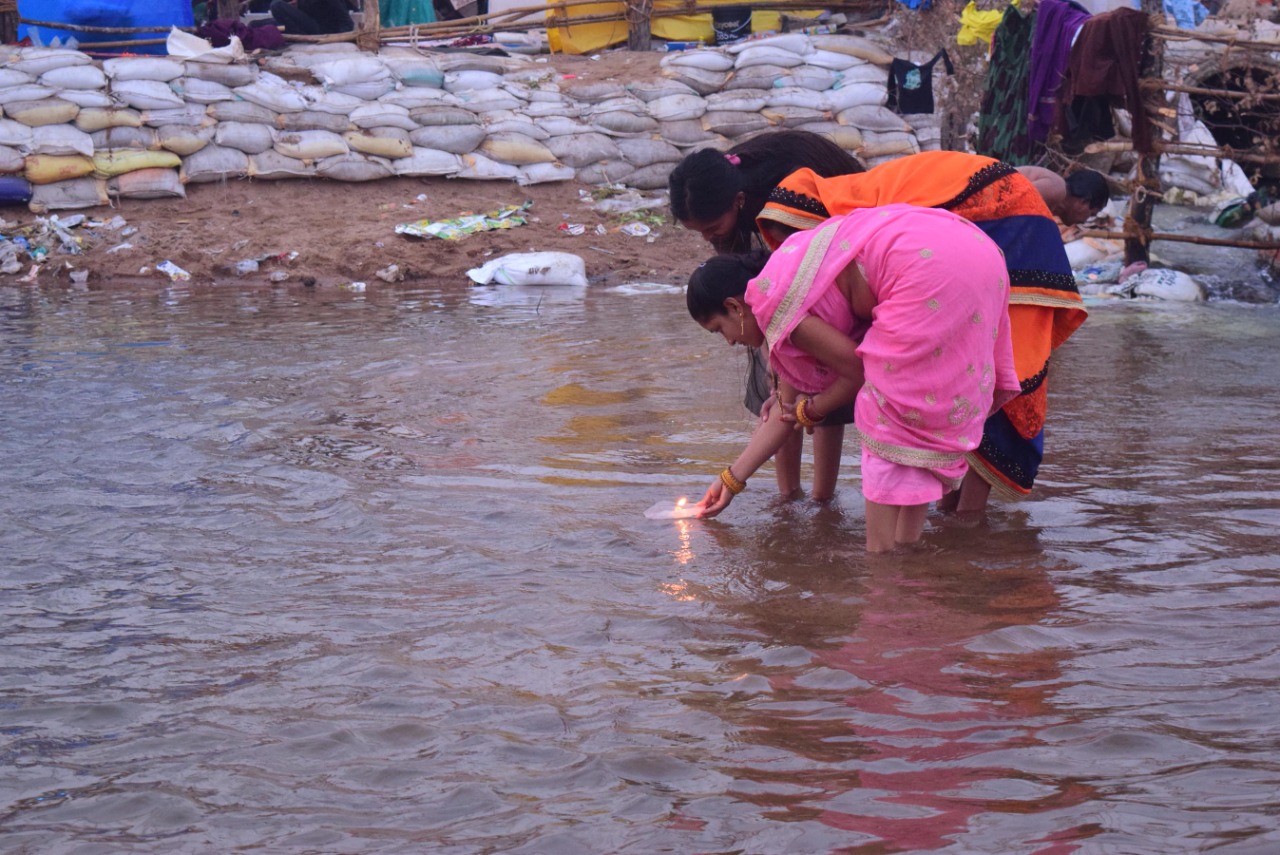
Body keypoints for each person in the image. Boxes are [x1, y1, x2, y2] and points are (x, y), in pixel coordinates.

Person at [752, 150, 1087, 511]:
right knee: (961, 377)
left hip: (1007, 235)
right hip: (981, 248)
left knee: (970, 382)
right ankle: (954, 521)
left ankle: (965, 521)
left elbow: (855, 367)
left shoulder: (851, 229)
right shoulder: (866, 210)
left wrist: (808, 409)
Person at [688, 205, 1021, 552]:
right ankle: (906, 554)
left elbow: (857, 373)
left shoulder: (777, 308)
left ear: (735, 307)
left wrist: (815, 409)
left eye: (718, 330)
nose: (729, 341)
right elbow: (785, 411)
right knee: (917, 417)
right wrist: (729, 482)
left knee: (885, 409)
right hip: (975, 249)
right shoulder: (786, 280)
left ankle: (881, 564)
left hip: (926, 265)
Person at [669, 131, 864, 503]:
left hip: (834, 283)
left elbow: (797, 303)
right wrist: (777, 380)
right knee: (777, 390)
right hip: (784, 300)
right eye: (701, 233)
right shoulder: (729, 186)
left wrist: (795, 387)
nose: (710, 240)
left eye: (713, 229)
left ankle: (823, 501)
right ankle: (787, 498)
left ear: (739, 202)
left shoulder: (785, 211)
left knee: (819, 385)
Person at [1015, 165, 1110, 225]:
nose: (1086, 220)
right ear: (1084, 202)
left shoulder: (1052, 206)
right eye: (1092, 214)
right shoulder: (1056, 188)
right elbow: (1010, 201)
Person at [270, 0, 355, 34]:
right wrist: (298, 5)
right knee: (268, 23)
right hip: (312, 23)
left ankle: (297, 34)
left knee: (277, 6)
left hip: (323, 30)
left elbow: (347, 22)